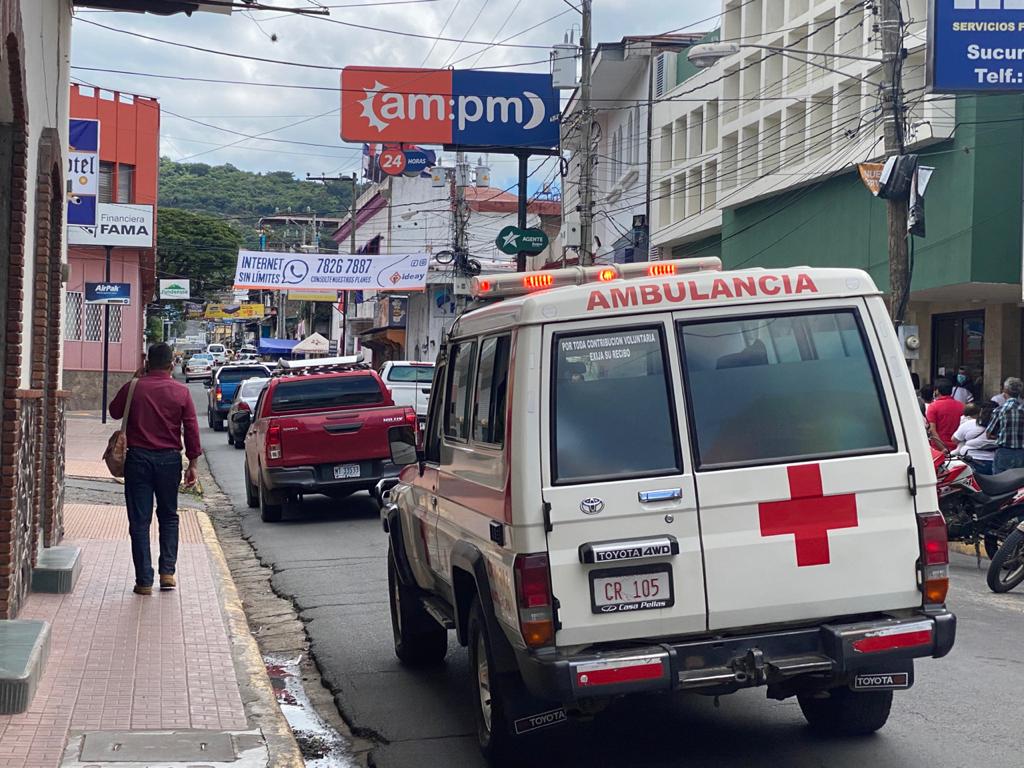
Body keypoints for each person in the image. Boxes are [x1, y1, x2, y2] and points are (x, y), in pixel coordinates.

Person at [109, 342, 202, 596]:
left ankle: (144, 580)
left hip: (137, 460)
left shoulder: (134, 388)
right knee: (169, 515)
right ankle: (168, 573)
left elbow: (114, 412)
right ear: (172, 364)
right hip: (169, 461)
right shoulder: (181, 392)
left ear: (147, 363)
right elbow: (192, 429)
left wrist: (134, 380)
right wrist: (192, 463)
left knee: (139, 521)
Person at [988, 377, 1024, 473]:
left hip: (1004, 451)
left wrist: (1001, 435)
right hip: (1022, 452)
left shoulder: (999, 410)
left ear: (1005, 390)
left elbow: (989, 433)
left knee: (1000, 482)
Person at [953, 401, 997, 475]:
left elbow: (954, 439)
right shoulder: (1001, 425)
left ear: (980, 412)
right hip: (994, 461)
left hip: (972, 460)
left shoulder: (969, 424)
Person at [926, 377, 964, 451]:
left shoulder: (933, 406)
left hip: (938, 449)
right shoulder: (962, 406)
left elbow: (932, 430)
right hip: (957, 448)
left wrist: (943, 449)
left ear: (937, 391)